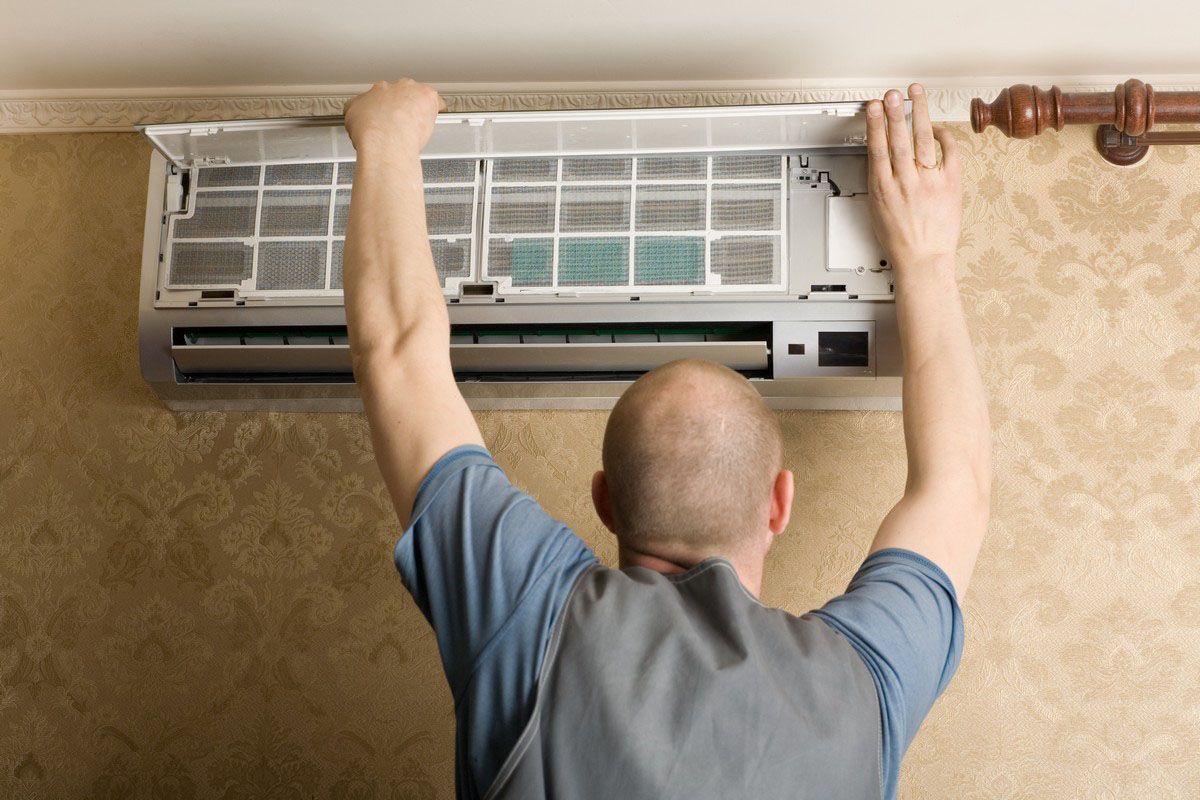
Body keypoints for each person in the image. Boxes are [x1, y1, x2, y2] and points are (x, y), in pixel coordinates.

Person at [342, 78, 991, 800]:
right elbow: (955, 487)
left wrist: (387, 139)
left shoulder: (529, 616)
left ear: (605, 502)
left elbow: (398, 354)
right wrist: (928, 260)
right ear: (780, 504)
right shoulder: (864, 682)